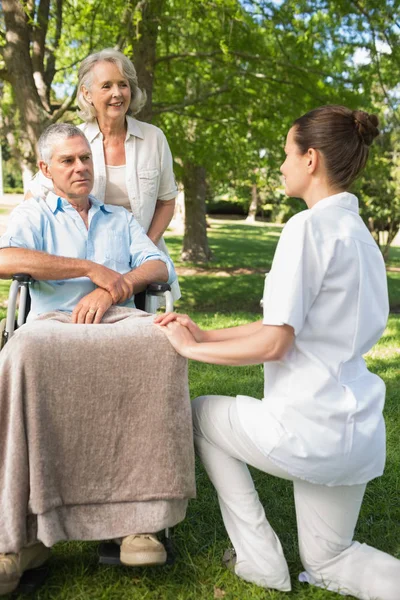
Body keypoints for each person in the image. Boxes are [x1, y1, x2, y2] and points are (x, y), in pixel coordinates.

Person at [155, 105, 400, 600]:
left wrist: (187, 350)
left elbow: (275, 342)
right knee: (330, 559)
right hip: (356, 434)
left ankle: (260, 559)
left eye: (287, 154)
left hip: (308, 428)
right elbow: (282, 326)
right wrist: (205, 334)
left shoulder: (306, 229)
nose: (281, 165)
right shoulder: (361, 238)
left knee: (202, 414)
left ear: (310, 159)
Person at [0, 123, 195, 595]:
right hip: (55, 324)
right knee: (24, 349)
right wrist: (89, 269)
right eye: (67, 161)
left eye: (84, 158)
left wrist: (116, 289)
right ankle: (19, 535)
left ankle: (140, 521)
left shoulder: (118, 218)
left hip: (117, 320)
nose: (80, 167)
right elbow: (4, 258)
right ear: (47, 169)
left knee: (163, 342)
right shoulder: (36, 214)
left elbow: (158, 266)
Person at [28, 47, 180, 302]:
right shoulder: (73, 139)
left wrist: (145, 247)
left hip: (136, 260)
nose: (117, 93)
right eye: (106, 86)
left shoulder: (153, 138)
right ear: (87, 94)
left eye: (123, 84)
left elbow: (166, 201)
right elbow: (35, 196)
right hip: (81, 263)